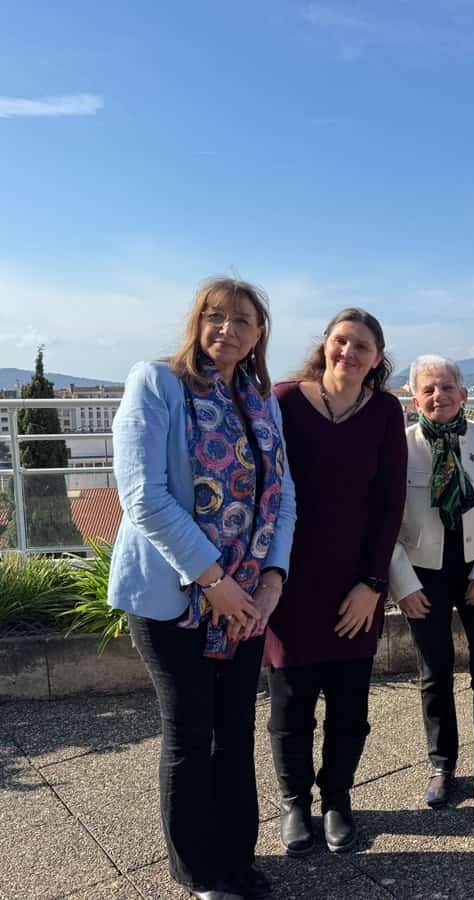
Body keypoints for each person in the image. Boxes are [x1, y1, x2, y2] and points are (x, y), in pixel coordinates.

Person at [109, 277, 297, 900]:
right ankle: (198, 871)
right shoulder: (156, 382)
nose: (227, 329)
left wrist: (271, 580)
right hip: (175, 596)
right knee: (191, 731)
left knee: (237, 727)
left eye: (242, 321)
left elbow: (284, 497)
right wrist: (212, 580)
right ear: (197, 321)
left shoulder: (260, 399)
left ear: (258, 334)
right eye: (215, 317)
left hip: (245, 602)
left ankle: (237, 859)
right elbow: (144, 498)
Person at [266, 308, 407, 858]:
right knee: (291, 702)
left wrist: (373, 583)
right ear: (326, 344)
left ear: (377, 359)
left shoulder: (385, 413)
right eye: (342, 341)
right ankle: (295, 803)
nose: (349, 353)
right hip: (289, 581)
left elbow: (389, 503)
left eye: (362, 347)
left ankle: (337, 801)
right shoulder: (283, 402)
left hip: (357, 585)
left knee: (350, 706)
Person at [390, 355, 474, 822]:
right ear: (413, 397)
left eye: (447, 387)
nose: (438, 396)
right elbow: (384, 523)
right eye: (427, 389)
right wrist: (403, 585)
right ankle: (441, 764)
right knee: (435, 672)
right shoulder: (400, 447)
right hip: (423, 572)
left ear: (463, 394)